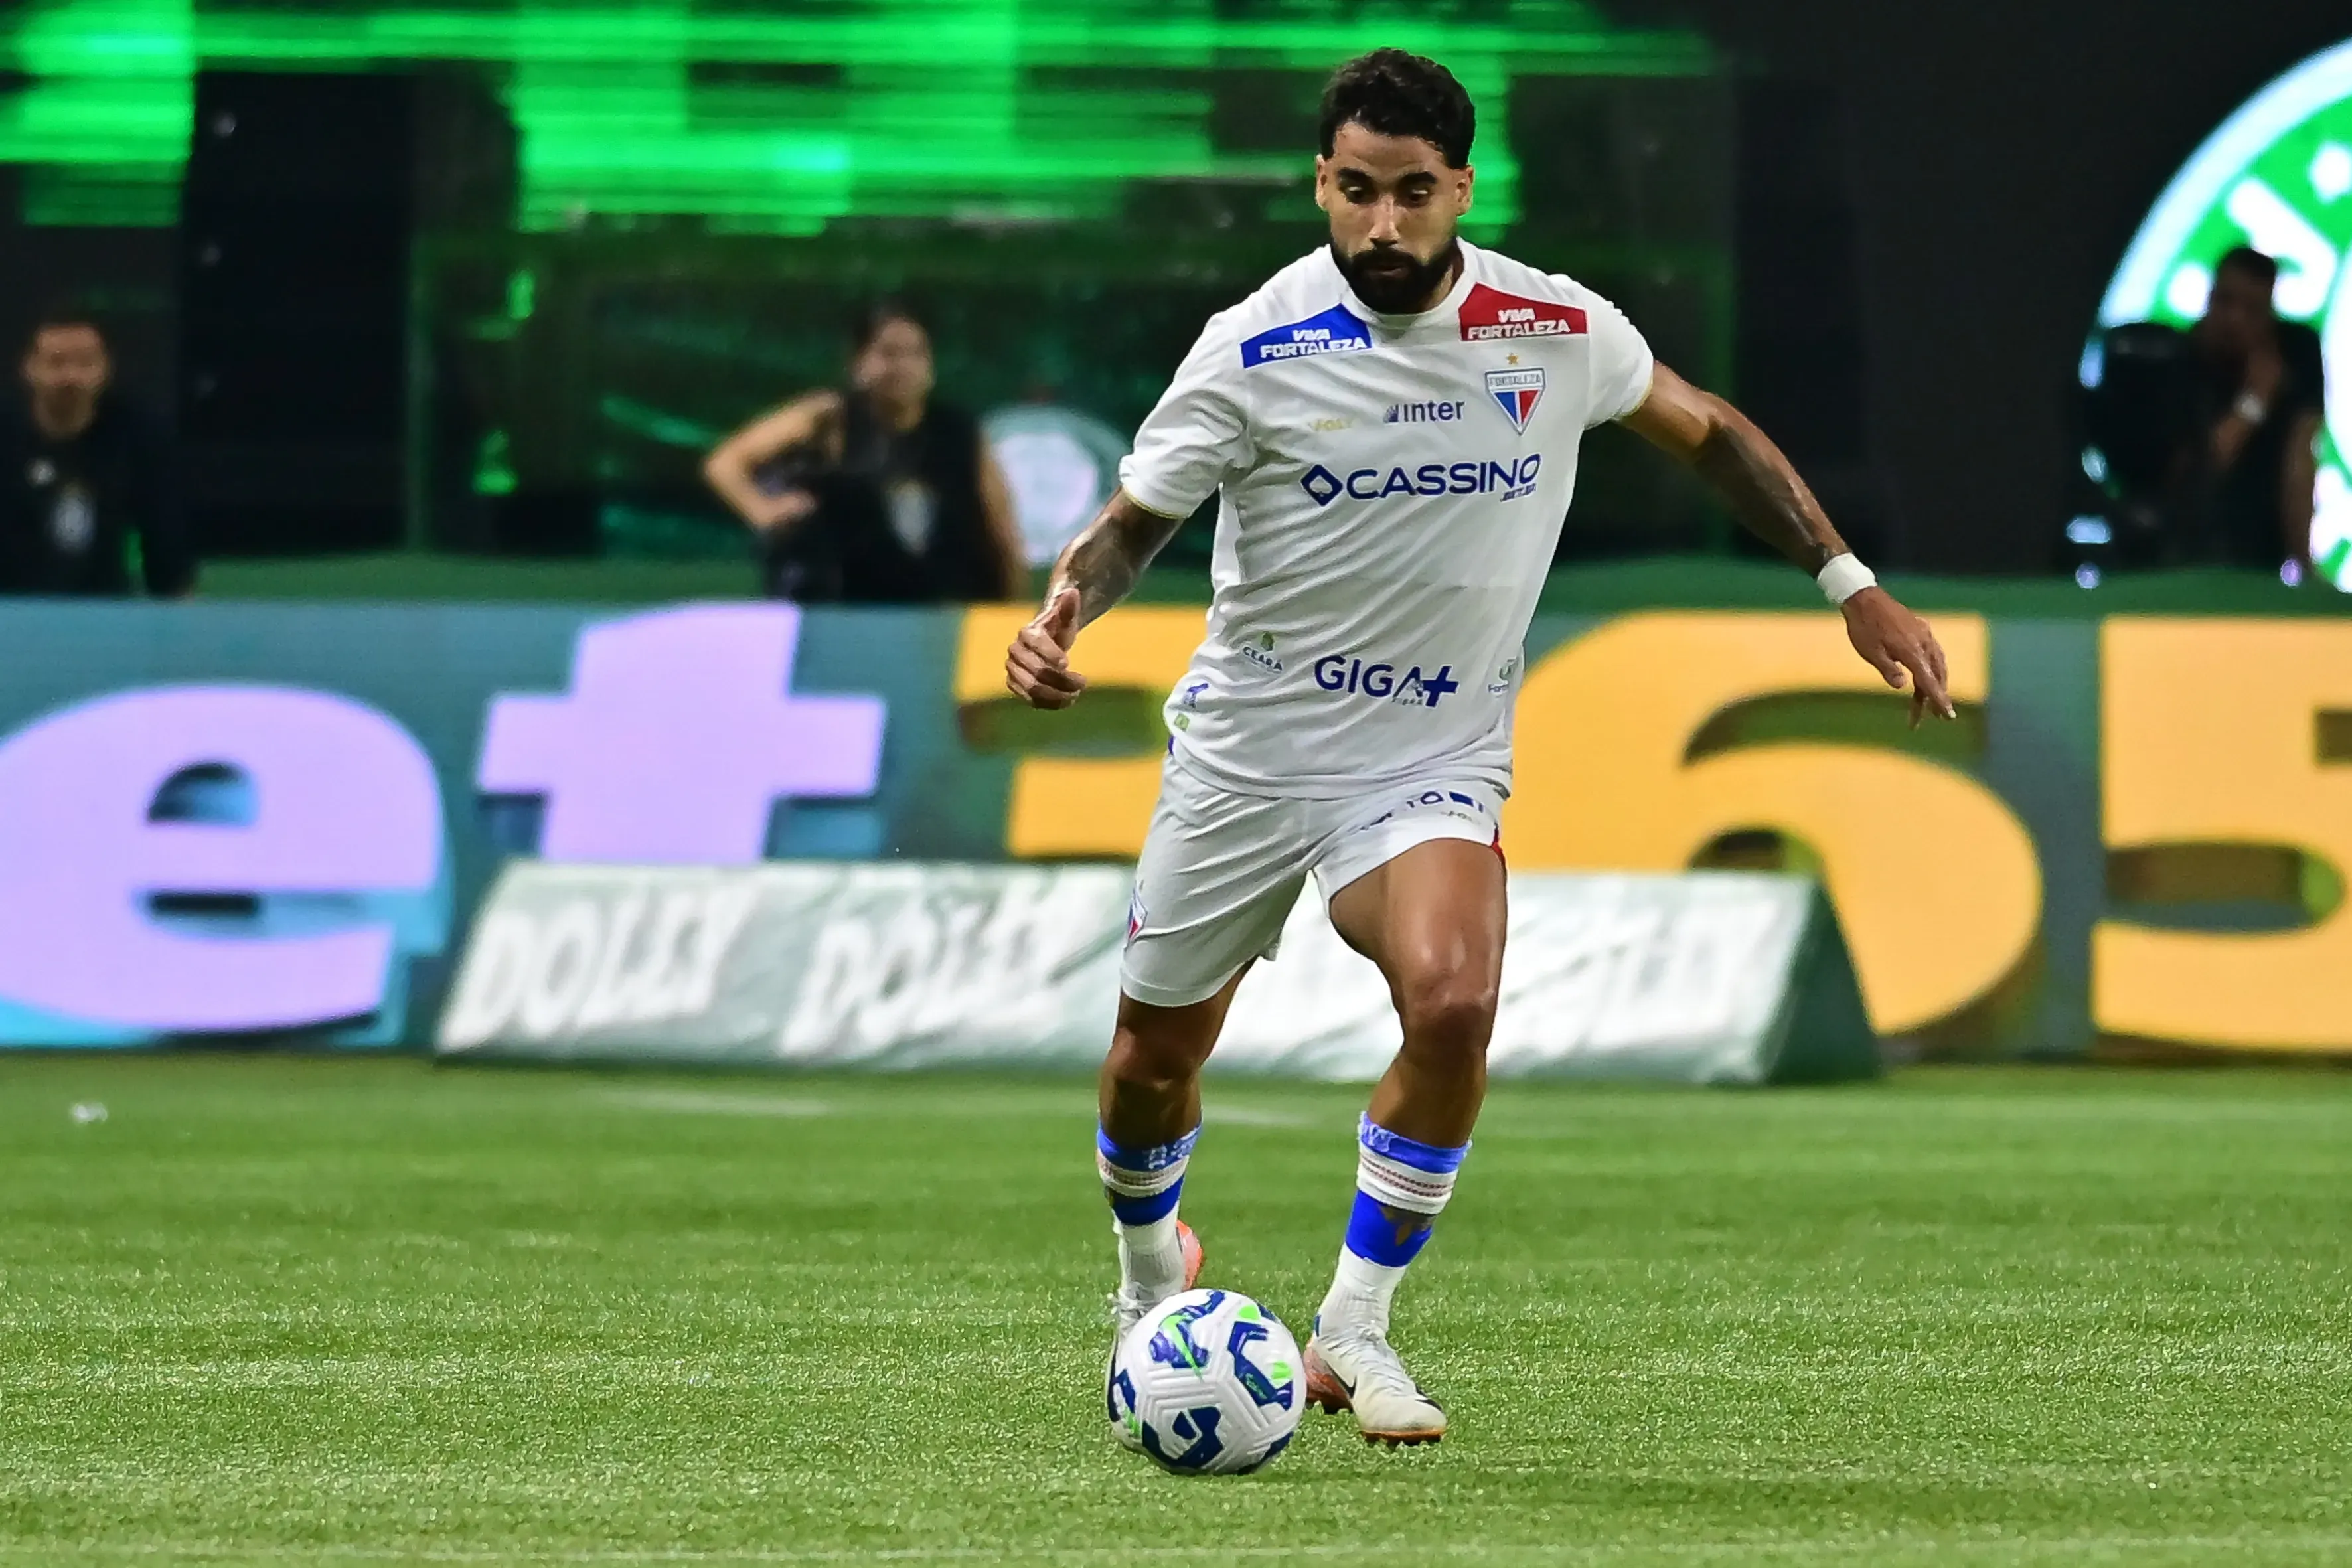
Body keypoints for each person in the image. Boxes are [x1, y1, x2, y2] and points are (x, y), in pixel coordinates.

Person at [1003, 48, 1952, 1449]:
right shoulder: (1254, 342)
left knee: (1452, 1005)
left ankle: (1355, 1327)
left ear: (1457, 188)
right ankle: (1152, 1278)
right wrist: (1066, 605)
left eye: (1409, 194)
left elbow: (1706, 432)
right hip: (1249, 757)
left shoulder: (1548, 326)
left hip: (1426, 754)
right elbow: (1141, 513)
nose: (1379, 226)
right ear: (1319, 184)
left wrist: (1844, 579)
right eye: (1352, 191)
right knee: (1149, 1059)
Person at [702, 301, 1027, 603]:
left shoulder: (960, 432)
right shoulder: (828, 418)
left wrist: (1015, 613)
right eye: (889, 354)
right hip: (846, 607)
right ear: (858, 362)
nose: (903, 367)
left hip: (941, 610)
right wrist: (764, 511)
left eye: (915, 354)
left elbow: (1002, 529)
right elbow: (725, 463)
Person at [0, 301, 193, 597]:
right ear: (29, 368)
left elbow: (166, 547)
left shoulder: (140, 435)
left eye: (84, 363)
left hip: (105, 614)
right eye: (56, 362)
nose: (70, 377)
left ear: (105, 369)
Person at [2190, 246, 2326, 574]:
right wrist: (2256, 399)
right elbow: (2199, 473)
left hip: (2263, 553)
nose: (2234, 320)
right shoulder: (2183, 360)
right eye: (2225, 302)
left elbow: (2300, 456)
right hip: (2190, 553)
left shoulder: (2297, 351)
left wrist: (2304, 563)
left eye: (2251, 310)